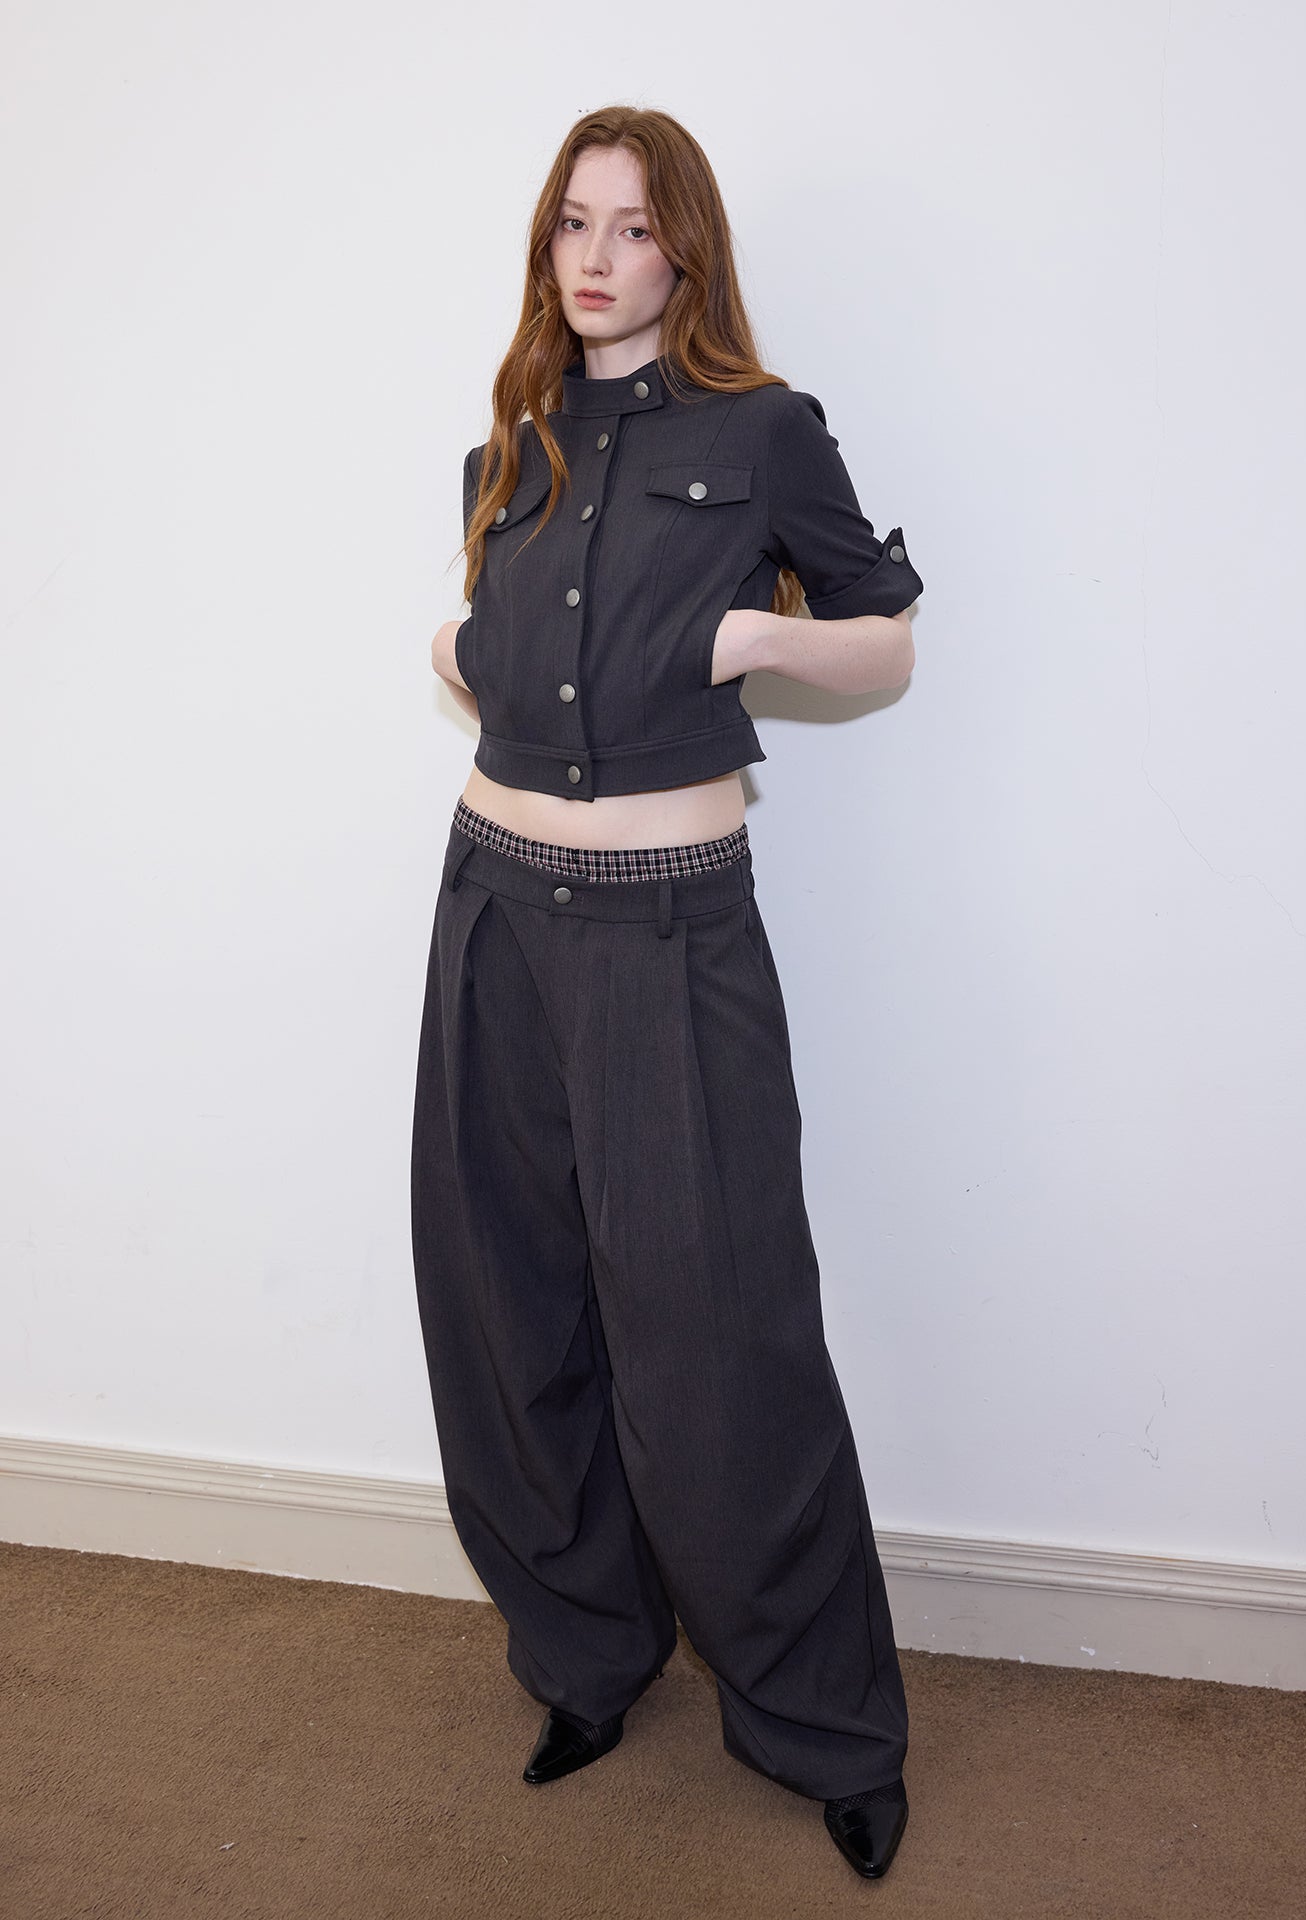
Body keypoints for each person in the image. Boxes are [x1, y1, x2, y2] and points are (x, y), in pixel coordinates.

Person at [411, 104, 923, 1881]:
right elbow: (506, 651)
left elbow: (886, 633)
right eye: (574, 222)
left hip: (666, 929)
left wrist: (754, 638)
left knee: (721, 1339)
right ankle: (585, 1657)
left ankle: (824, 1722)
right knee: (511, 1311)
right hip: (494, 910)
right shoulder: (515, 439)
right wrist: (454, 651)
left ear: (684, 251)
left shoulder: (761, 429)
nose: (598, 256)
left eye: (632, 226)